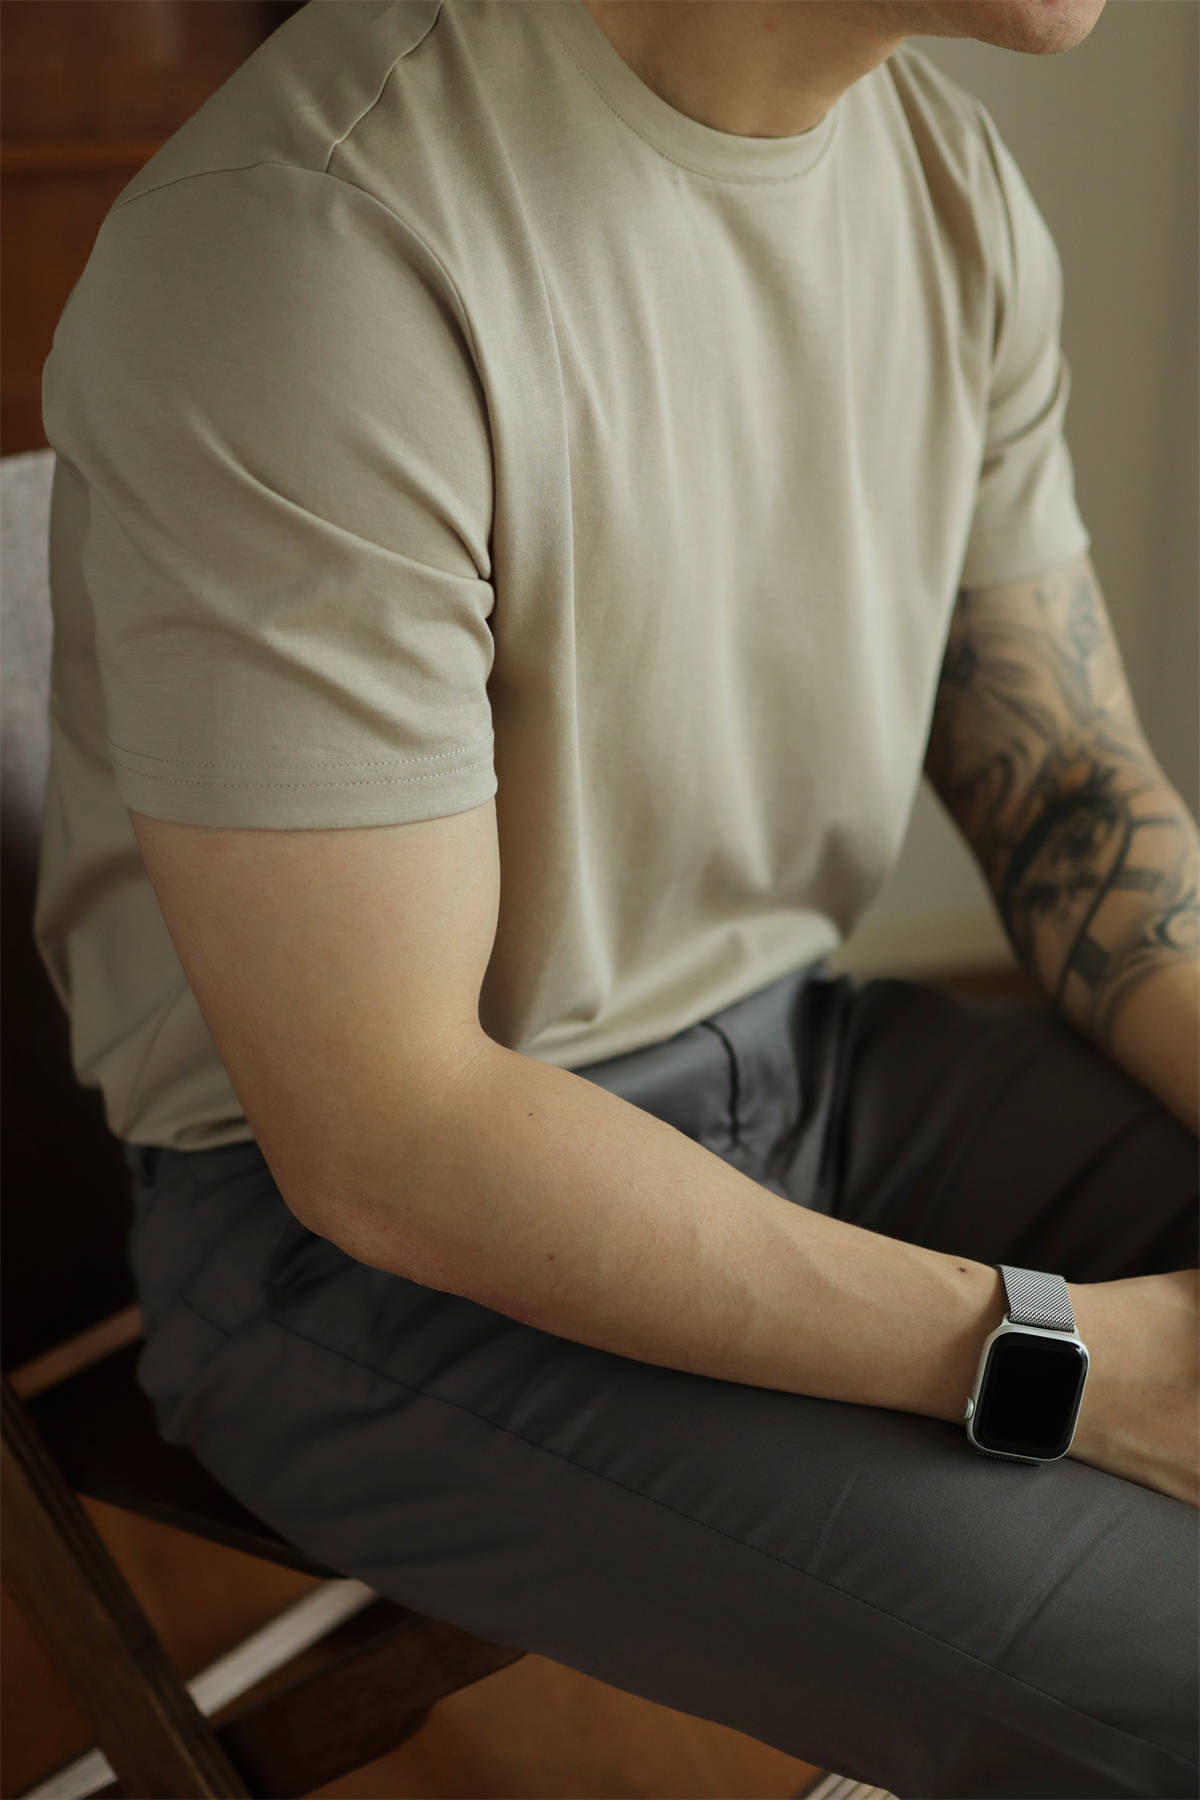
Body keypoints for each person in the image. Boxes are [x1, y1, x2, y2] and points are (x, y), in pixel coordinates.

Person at [36, 2, 1197, 1793]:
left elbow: (1063, 790)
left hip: (806, 1072)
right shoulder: (314, 237)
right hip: (354, 1264)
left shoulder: (949, 186)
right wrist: (1069, 1358)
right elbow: (388, 1137)